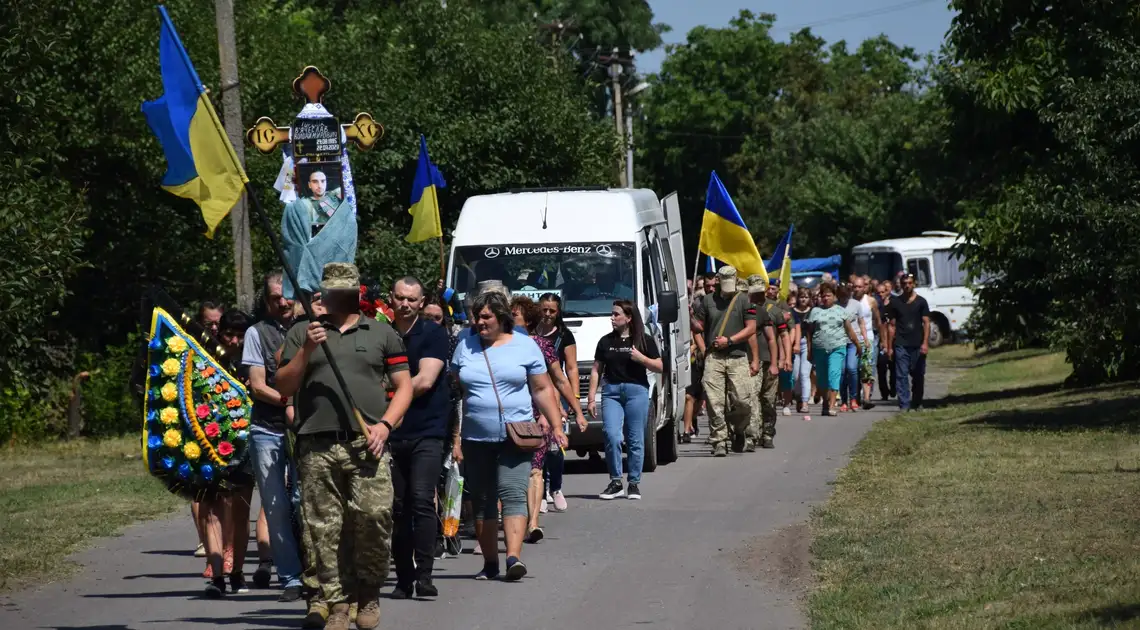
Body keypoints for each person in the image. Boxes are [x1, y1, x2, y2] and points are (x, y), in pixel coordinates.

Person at [277, 263, 413, 630]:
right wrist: (307, 348)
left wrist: (386, 425)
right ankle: (336, 604)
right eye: (330, 290)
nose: (335, 296)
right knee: (323, 529)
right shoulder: (302, 332)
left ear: (356, 293)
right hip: (316, 445)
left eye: (344, 291)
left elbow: (405, 386)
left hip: (366, 443)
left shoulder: (382, 333)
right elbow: (283, 386)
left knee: (373, 518)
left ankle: (368, 594)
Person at [450, 290, 566, 582]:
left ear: (501, 318)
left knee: (513, 494)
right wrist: (453, 436)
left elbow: (541, 389)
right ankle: (490, 563)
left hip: (516, 436)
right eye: (477, 316)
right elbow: (453, 391)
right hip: (476, 438)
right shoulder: (465, 345)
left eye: (486, 316)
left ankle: (513, 557)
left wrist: (556, 425)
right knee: (482, 500)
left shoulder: (525, 346)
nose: (479, 322)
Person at [241, 271, 306, 602]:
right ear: (267, 302)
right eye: (275, 298)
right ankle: (290, 577)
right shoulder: (257, 333)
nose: (282, 302)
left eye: (286, 295)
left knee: (302, 501)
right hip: (267, 428)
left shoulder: (309, 329)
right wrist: (289, 400)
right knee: (276, 504)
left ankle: (311, 569)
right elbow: (257, 384)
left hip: (305, 429)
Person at [387, 276, 451, 600]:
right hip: (390, 432)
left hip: (427, 429)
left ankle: (425, 575)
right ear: (391, 299)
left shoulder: (433, 334)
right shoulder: (382, 334)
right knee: (397, 507)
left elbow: (425, 380)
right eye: (400, 298)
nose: (406, 304)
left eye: (412, 299)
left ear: (422, 302)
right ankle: (403, 578)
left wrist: (386, 399)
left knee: (422, 499)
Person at [510, 296, 579, 537]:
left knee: (535, 470)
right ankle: (503, 521)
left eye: (515, 316)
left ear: (528, 321)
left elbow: (559, 379)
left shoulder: (541, 345)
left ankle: (533, 523)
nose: (509, 319)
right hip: (507, 415)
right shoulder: (498, 345)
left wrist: (574, 410)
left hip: (537, 414)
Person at [200, 309, 257, 597]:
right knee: (212, 511)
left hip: (244, 447)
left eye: (239, 335)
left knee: (240, 512)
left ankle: (237, 574)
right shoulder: (205, 362)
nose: (233, 341)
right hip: (210, 445)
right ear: (218, 334)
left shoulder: (252, 365)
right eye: (228, 335)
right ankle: (218, 576)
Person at [587, 300, 663, 499]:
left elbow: (660, 366)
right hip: (611, 392)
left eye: (616, 314)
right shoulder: (605, 341)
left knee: (635, 438)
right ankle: (615, 481)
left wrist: (642, 359)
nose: (612, 318)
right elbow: (596, 370)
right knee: (611, 435)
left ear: (628, 318)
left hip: (636, 391)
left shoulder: (644, 340)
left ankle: (634, 483)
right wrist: (591, 397)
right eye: (612, 314)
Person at [691, 266, 758, 457]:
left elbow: (751, 328)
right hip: (715, 357)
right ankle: (719, 440)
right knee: (714, 400)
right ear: (718, 281)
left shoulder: (744, 300)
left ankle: (738, 429)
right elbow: (698, 328)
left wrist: (730, 340)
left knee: (743, 400)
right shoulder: (707, 300)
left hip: (737, 355)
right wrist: (689, 316)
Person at [534, 293, 579, 512]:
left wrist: (574, 399)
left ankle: (556, 488)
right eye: (544, 310)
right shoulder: (531, 333)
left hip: (556, 394)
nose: (548, 314)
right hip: (533, 392)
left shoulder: (564, 335)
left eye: (552, 310)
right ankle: (539, 493)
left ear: (558, 311)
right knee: (537, 444)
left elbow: (570, 369)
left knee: (555, 445)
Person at [192, 300, 224, 559]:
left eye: (217, 323)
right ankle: (204, 540)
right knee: (200, 483)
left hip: (227, 422)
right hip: (197, 420)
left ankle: (219, 538)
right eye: (208, 323)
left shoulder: (230, 347)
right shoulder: (192, 348)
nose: (213, 328)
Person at [805, 283, 861, 417]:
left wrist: (858, 345)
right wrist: (809, 349)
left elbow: (849, 330)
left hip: (837, 347)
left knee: (834, 374)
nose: (825, 298)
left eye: (828, 295)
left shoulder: (841, 311)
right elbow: (809, 332)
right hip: (819, 349)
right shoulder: (815, 311)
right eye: (823, 296)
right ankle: (825, 403)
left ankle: (831, 406)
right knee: (822, 379)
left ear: (834, 297)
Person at [885, 273, 931, 411]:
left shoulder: (921, 302)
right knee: (901, 375)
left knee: (918, 375)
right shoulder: (895, 302)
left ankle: (917, 402)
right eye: (904, 283)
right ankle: (904, 404)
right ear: (900, 284)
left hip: (917, 344)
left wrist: (925, 343)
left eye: (910, 283)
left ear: (914, 284)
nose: (907, 286)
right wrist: (889, 347)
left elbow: (926, 323)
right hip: (901, 343)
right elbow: (891, 326)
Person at [745, 275, 780, 451]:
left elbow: (772, 339)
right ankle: (751, 436)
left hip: (767, 360)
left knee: (768, 400)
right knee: (751, 398)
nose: (759, 296)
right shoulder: (743, 309)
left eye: (761, 292)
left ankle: (767, 433)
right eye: (755, 292)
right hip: (749, 361)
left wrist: (775, 363)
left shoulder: (764, 312)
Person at [837, 284, 869, 412]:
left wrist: (865, 339)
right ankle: (844, 400)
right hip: (839, 342)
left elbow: (861, 323)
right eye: (841, 296)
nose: (844, 299)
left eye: (846, 296)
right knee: (842, 371)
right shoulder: (834, 306)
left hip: (854, 342)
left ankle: (854, 398)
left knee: (852, 368)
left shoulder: (856, 304)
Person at [854, 277, 880, 410]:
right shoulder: (849, 302)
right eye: (855, 287)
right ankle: (855, 397)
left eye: (859, 287)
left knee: (867, 367)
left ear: (864, 288)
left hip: (868, 337)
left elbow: (877, 319)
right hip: (853, 338)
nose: (857, 289)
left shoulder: (870, 301)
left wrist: (879, 339)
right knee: (853, 369)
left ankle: (866, 398)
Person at [791, 288, 814, 415]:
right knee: (796, 375)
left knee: (805, 374)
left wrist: (811, 349)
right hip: (794, 344)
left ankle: (805, 402)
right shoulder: (792, 312)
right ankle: (798, 397)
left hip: (807, 344)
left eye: (806, 297)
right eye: (801, 297)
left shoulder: (812, 312)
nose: (803, 299)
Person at [874, 280, 896, 400]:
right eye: (879, 293)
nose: (881, 295)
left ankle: (893, 387)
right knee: (881, 367)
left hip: (892, 339)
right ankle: (884, 393)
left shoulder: (894, 303)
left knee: (893, 367)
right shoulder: (875, 305)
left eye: (884, 292)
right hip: (879, 339)